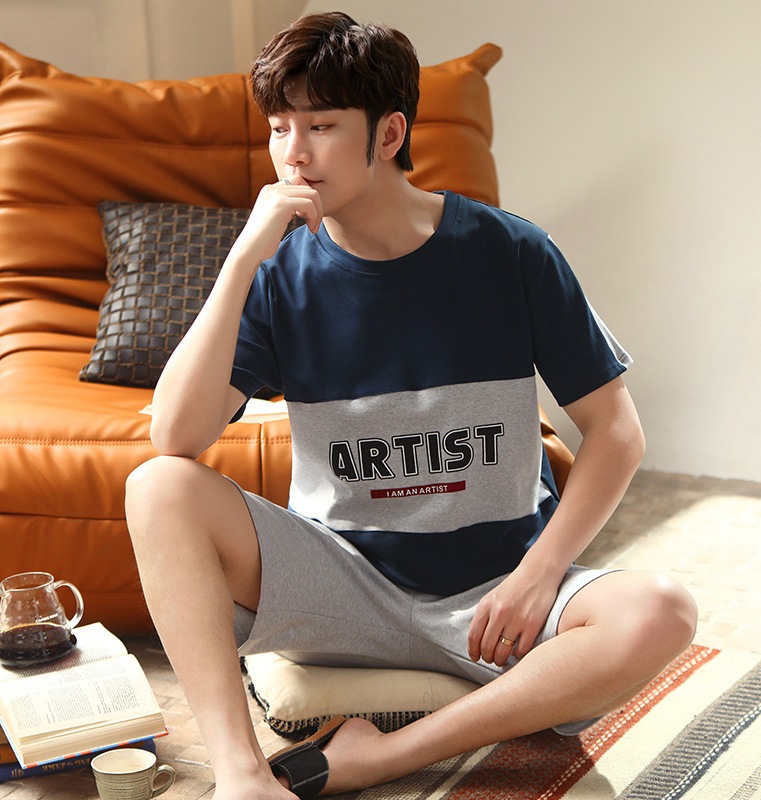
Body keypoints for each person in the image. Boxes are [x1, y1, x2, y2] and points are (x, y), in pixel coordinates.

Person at [125, 11, 698, 800]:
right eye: (280, 128)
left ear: (389, 133)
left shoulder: (510, 252)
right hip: (343, 590)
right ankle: (242, 775)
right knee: (157, 486)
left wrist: (539, 575)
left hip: (496, 595)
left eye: (321, 126)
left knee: (662, 609)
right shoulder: (281, 276)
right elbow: (174, 437)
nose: (294, 153)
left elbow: (616, 433)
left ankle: (383, 756)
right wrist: (242, 259)